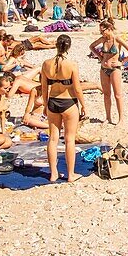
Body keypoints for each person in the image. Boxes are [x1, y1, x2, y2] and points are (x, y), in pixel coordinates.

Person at [42, 35, 86, 182]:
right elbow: (78, 89)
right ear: (69, 47)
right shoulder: (71, 65)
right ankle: (71, 174)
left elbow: (43, 87)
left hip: (53, 101)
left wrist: (44, 104)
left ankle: (53, 173)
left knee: (53, 139)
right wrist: (84, 105)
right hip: (68, 102)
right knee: (69, 139)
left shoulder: (46, 64)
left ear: (56, 45)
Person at [90, 21, 128, 125]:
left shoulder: (117, 39)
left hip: (115, 69)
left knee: (117, 95)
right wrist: (100, 57)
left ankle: (121, 119)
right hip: (103, 68)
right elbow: (91, 46)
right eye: (100, 31)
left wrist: (122, 62)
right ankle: (108, 117)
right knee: (106, 94)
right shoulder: (103, 40)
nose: (101, 33)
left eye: (102, 31)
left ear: (109, 29)